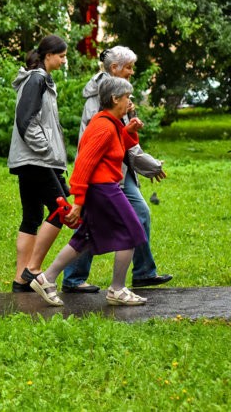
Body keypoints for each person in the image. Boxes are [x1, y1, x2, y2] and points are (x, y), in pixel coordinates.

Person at [24, 76, 149, 306]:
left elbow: (115, 148)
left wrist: (129, 131)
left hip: (102, 188)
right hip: (103, 189)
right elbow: (83, 164)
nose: (130, 102)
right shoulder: (103, 126)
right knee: (132, 231)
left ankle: (46, 278)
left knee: (85, 238)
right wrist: (79, 201)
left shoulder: (110, 124)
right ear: (115, 99)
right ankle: (117, 289)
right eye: (127, 97)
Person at [62, 46, 171, 293]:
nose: (132, 72)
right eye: (128, 68)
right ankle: (73, 279)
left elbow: (123, 137)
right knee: (90, 225)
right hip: (101, 174)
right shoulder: (100, 97)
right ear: (114, 68)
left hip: (119, 170)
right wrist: (80, 193)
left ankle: (143, 273)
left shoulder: (122, 94)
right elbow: (98, 141)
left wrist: (146, 161)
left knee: (139, 215)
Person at [7, 35, 70, 292]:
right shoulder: (36, 79)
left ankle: (20, 281)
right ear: (48, 55)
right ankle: (32, 270)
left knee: (32, 217)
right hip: (36, 159)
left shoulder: (40, 79)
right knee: (62, 209)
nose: (64, 60)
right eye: (61, 56)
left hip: (34, 160)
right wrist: (46, 150)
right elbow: (26, 121)